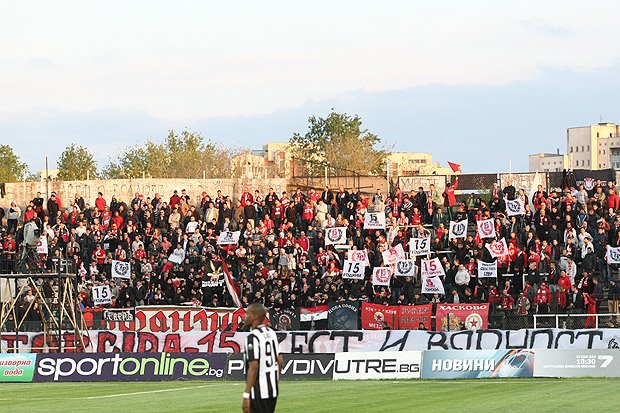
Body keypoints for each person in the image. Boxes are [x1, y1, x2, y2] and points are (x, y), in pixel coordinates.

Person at [243, 303, 283, 413]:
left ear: (255, 316)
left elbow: (254, 367)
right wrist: (274, 381)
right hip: (272, 390)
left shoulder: (252, 337)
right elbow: (279, 361)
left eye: (247, 314)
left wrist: (246, 394)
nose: (245, 317)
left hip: (259, 392)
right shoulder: (271, 333)